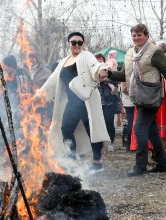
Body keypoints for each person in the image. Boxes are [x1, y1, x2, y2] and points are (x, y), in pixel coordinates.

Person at [104, 24, 166, 176]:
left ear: (146, 35)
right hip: (138, 96)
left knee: (139, 129)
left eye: (139, 35)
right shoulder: (130, 53)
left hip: (151, 95)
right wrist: (110, 74)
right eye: (134, 35)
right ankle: (162, 164)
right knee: (152, 131)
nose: (136, 38)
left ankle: (140, 166)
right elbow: (125, 75)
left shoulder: (155, 51)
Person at [35, 32, 110, 171]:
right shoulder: (63, 61)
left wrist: (102, 69)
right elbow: (52, 80)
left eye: (80, 43)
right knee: (66, 129)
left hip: (87, 100)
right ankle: (72, 159)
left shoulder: (86, 55)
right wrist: (39, 95)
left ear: (83, 44)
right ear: (68, 43)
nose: (77, 45)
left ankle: (97, 162)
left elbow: (96, 65)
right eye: (74, 42)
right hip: (72, 103)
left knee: (92, 130)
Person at [95, 53, 120, 152]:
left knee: (109, 123)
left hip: (108, 103)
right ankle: (100, 144)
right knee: (99, 124)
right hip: (96, 103)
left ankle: (111, 142)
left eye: (101, 58)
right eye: (98, 58)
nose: (100, 60)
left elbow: (116, 82)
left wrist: (107, 80)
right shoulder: (93, 72)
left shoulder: (108, 70)